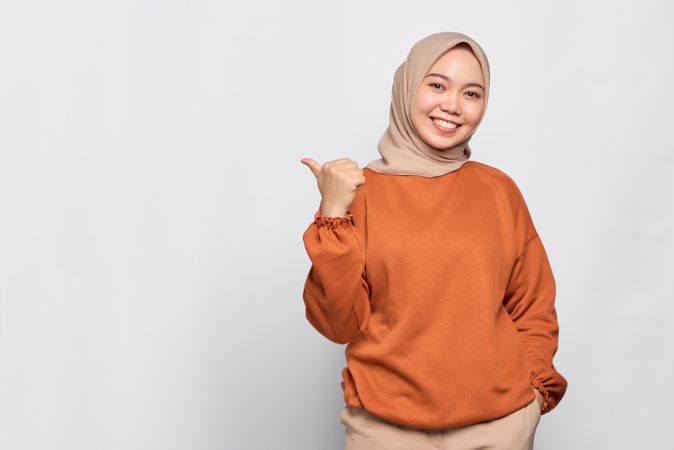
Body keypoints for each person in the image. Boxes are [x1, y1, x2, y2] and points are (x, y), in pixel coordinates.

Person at [299, 31, 568, 450]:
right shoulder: (359, 192)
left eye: (472, 93)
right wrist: (333, 214)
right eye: (437, 84)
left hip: (497, 428)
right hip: (384, 429)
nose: (453, 106)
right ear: (408, 87)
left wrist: (532, 396)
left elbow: (532, 305)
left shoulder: (498, 191)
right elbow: (339, 324)